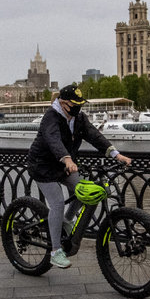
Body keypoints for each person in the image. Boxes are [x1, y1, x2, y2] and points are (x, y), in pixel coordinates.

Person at [26, 83, 131, 269]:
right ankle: (55, 252)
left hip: (65, 166)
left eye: (80, 104)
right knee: (57, 202)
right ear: (63, 103)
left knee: (84, 191)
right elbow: (53, 139)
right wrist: (67, 159)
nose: (78, 108)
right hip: (43, 167)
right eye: (75, 104)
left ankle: (67, 220)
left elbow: (94, 136)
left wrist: (117, 154)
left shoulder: (79, 118)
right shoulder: (51, 117)